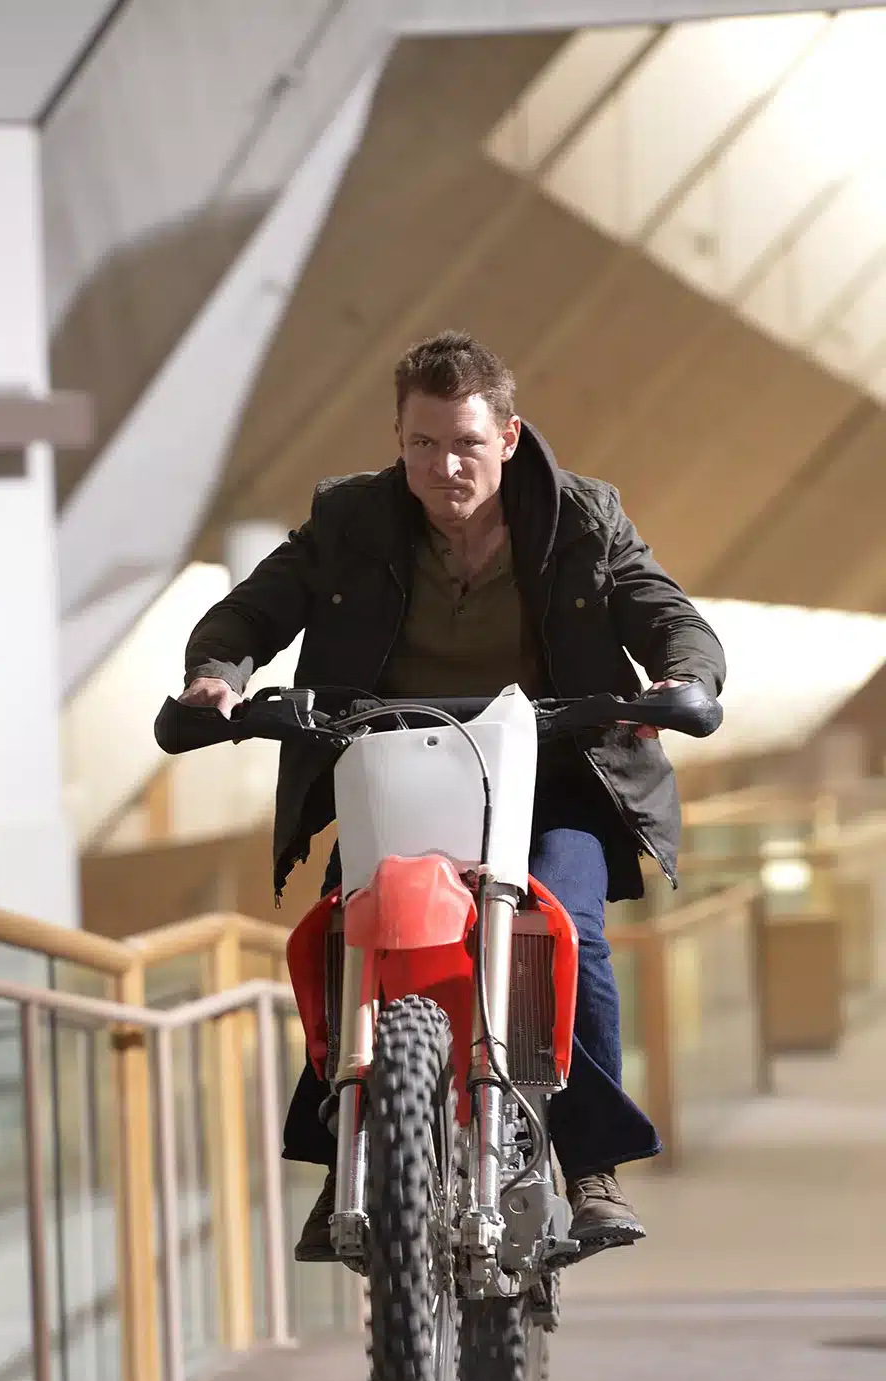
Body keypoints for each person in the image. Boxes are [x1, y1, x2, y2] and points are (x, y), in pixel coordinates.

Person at [179, 331, 725, 1263]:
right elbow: (254, 609)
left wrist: (685, 674)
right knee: (347, 927)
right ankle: (349, 1155)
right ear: (398, 440)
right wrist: (215, 674)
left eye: (466, 443)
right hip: (394, 758)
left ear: (507, 436)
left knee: (568, 926)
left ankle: (591, 1165)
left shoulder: (583, 517)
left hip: (549, 766)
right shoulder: (349, 519)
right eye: (422, 445)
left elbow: (666, 612)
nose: (444, 467)